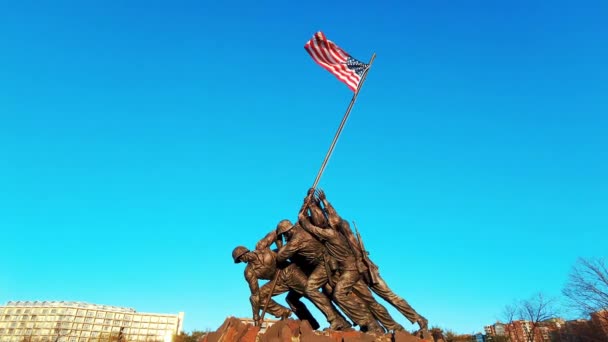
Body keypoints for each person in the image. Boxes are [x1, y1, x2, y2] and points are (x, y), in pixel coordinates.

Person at [317, 189, 429, 332]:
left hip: (366, 268)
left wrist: (325, 203)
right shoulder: (334, 237)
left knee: (389, 296)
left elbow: (335, 218)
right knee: (370, 302)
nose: (328, 221)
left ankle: (419, 319)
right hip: (354, 271)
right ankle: (393, 327)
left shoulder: (343, 227)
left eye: (330, 219)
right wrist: (317, 206)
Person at [298, 191, 385, 333]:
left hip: (350, 268)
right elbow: (315, 220)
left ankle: (372, 324)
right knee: (340, 295)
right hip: (339, 267)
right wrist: (307, 204)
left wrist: (303, 217)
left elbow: (313, 226)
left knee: (353, 296)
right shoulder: (328, 228)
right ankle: (365, 324)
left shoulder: (331, 232)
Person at [232, 245, 319, 329]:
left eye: (242, 256)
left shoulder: (265, 252)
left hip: (290, 272)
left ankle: (331, 316)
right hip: (277, 281)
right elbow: (255, 295)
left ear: (246, 251)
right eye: (240, 259)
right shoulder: (249, 272)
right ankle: (284, 313)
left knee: (310, 293)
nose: (243, 259)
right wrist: (256, 315)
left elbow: (285, 252)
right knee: (259, 297)